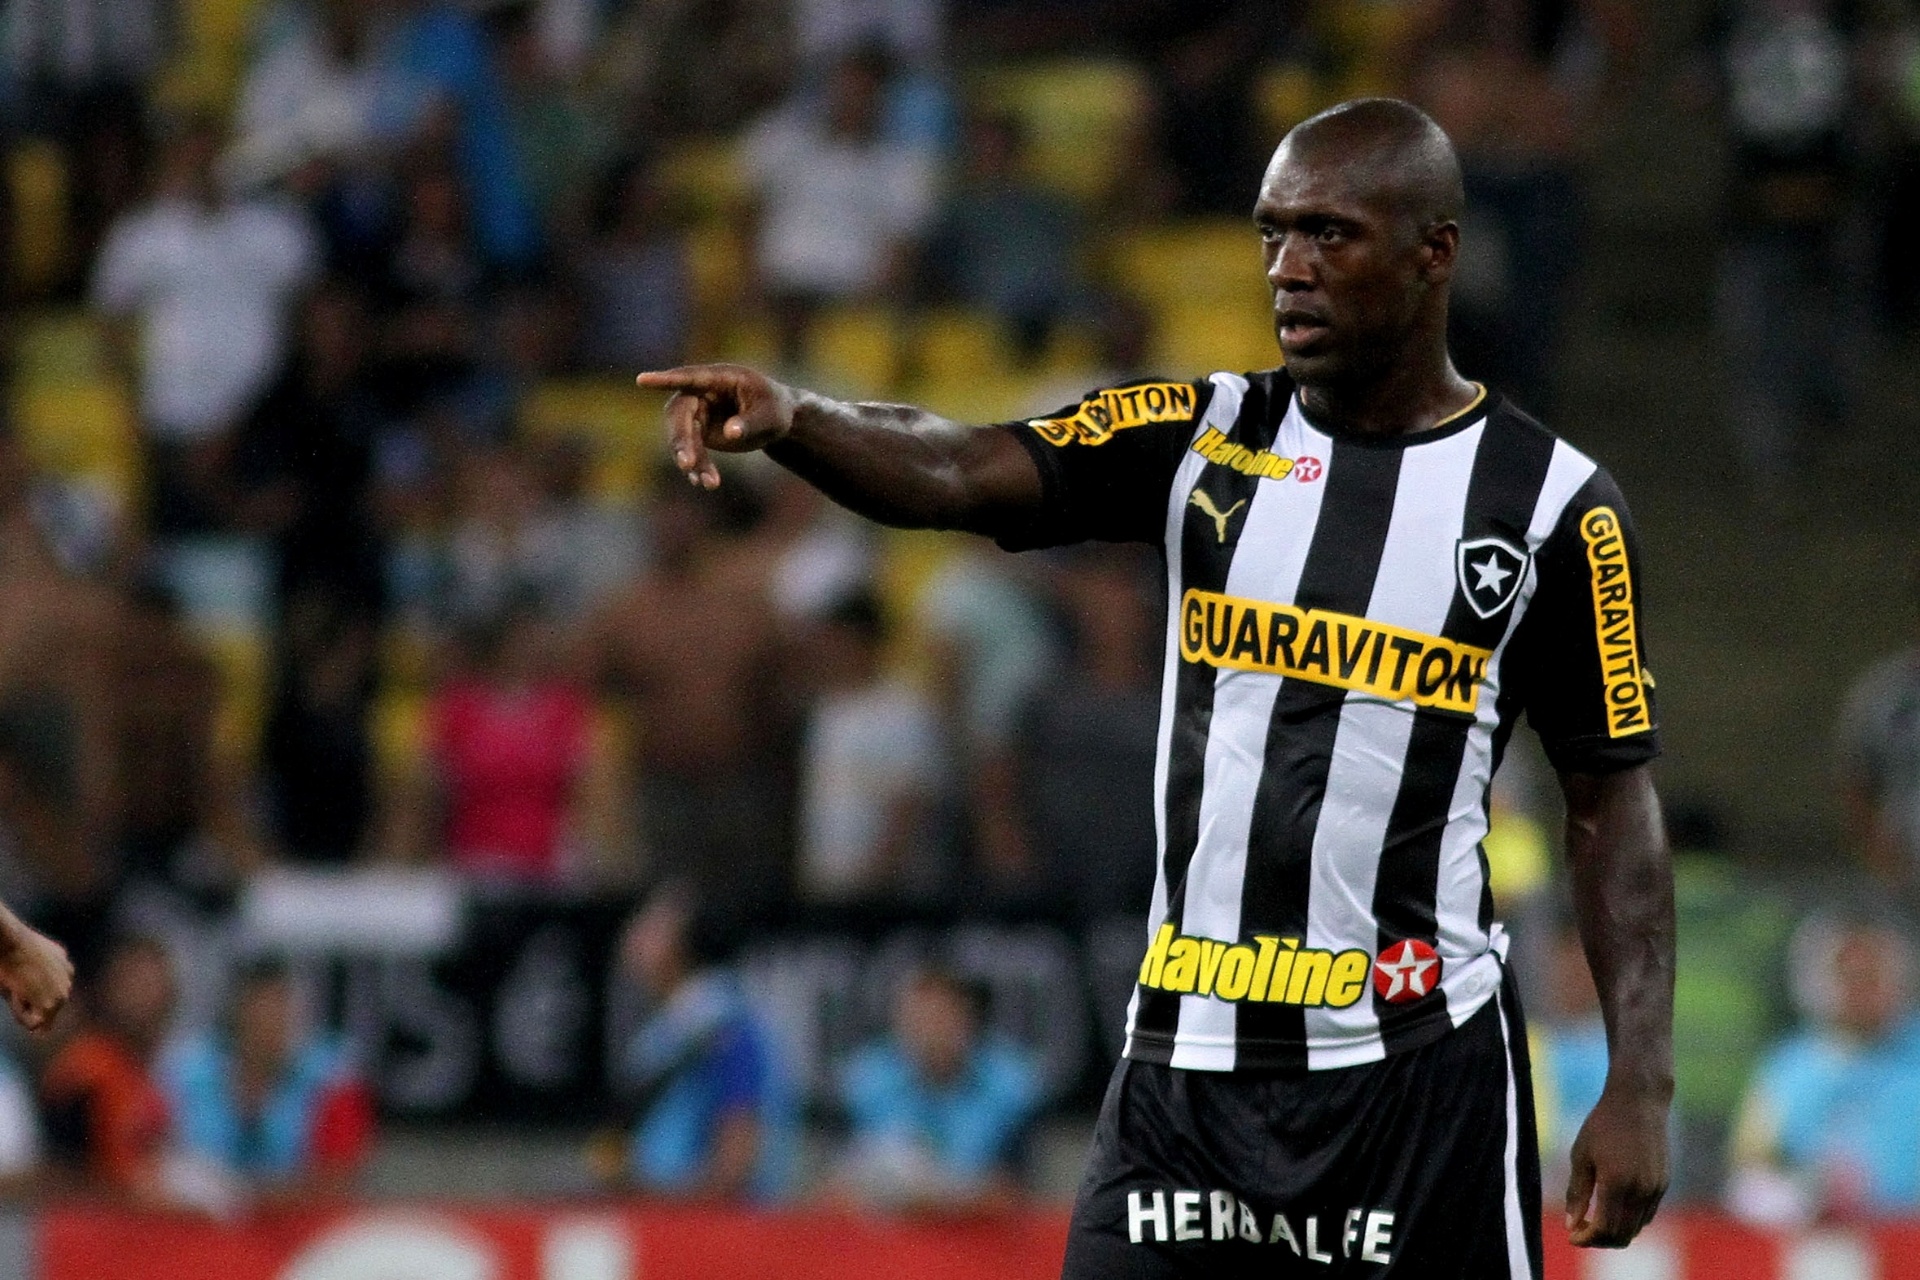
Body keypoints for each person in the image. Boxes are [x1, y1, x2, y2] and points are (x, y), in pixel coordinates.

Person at [640, 97, 1673, 1274]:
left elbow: (1611, 796)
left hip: (1415, 1074)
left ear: (1433, 250)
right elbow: (961, 466)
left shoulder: (1555, 507)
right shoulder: (1202, 433)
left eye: (1328, 234)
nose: (1287, 268)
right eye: (1272, 232)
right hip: (1187, 1070)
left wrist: (1640, 1077)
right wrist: (798, 419)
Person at [594, 883, 793, 1202]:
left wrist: (666, 1205)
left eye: (654, 924)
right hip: (662, 1210)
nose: (633, 933)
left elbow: (737, 1158)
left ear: (686, 942)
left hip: (711, 1222)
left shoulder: (727, 1028)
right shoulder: (667, 1030)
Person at [1725, 912, 1920, 1224]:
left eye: (1870, 975)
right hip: (1815, 1233)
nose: (1858, 989)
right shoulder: (1790, 1064)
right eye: (1847, 975)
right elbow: (1750, 1155)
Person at [161, 959, 375, 1203]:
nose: (269, 1020)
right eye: (259, 1008)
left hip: (296, 1215)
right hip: (195, 1215)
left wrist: (246, 1198)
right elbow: (150, 1163)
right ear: (236, 1013)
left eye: (280, 1008)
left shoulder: (332, 1080)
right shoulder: (183, 1073)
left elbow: (340, 1179)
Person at [833, 965, 1041, 1212]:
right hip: (888, 1222)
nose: (931, 1031)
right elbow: (840, 1189)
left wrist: (939, 1199)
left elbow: (1019, 1193)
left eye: (942, 1017)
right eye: (919, 1019)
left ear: (968, 1020)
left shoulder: (1011, 1086)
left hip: (979, 1224)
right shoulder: (866, 1082)